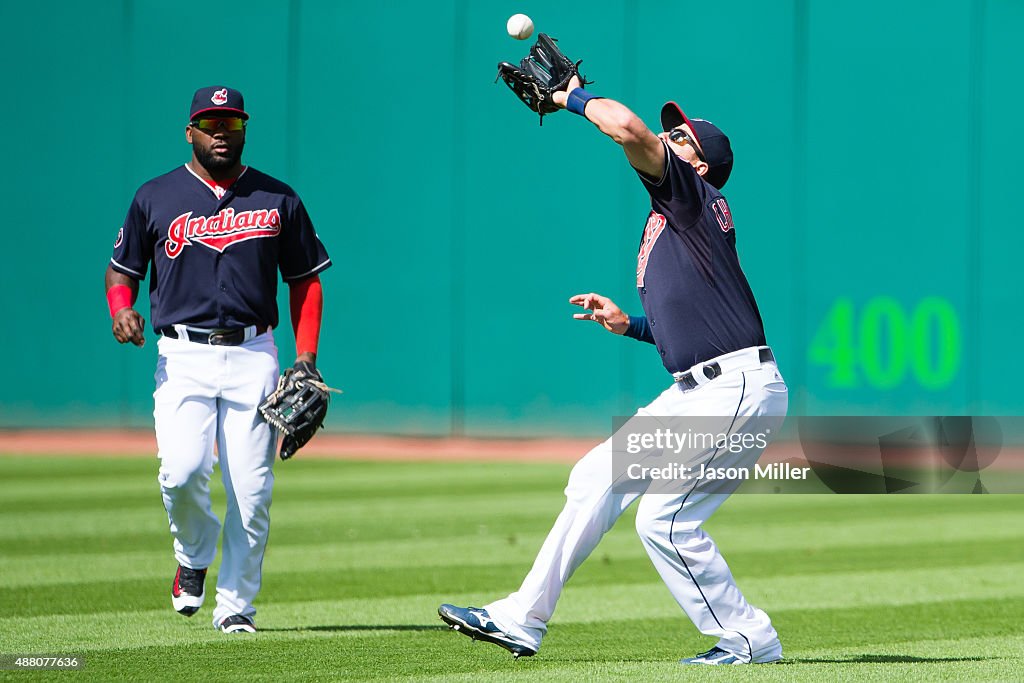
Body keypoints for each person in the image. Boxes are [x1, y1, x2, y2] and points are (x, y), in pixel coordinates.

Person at [438, 75, 788, 665]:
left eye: (680, 136)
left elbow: (626, 128)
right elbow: (695, 329)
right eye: (670, 131)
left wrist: (568, 95)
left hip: (735, 389)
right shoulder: (681, 219)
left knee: (664, 519)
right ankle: (522, 618)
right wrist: (631, 325)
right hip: (702, 387)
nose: (666, 137)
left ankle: (749, 639)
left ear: (699, 166)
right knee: (594, 478)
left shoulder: (687, 194)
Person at [105, 86, 331, 634]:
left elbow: (305, 282)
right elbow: (122, 270)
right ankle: (193, 554)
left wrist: (305, 357)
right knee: (181, 472)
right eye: (209, 124)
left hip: (255, 353)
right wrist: (121, 309)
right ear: (190, 132)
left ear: (245, 129)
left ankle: (236, 609)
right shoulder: (155, 196)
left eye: (231, 123)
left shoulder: (277, 197)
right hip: (181, 354)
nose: (221, 133)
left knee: (252, 492)